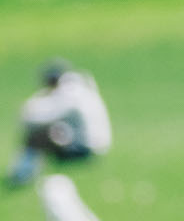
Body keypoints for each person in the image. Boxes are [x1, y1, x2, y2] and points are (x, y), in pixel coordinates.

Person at [5, 59, 113, 188]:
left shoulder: (71, 92)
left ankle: (21, 175)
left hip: (87, 149)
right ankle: (24, 173)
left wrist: (28, 113)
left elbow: (43, 117)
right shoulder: (77, 88)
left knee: (39, 137)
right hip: (92, 145)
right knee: (51, 132)